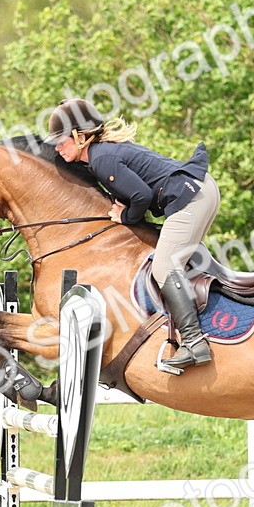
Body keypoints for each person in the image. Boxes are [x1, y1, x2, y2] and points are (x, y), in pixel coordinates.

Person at [45, 98, 218, 370]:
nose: (56, 146)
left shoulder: (101, 160)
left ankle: (194, 342)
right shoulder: (101, 154)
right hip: (199, 190)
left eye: (60, 140)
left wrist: (124, 216)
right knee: (177, 261)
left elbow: (142, 196)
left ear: (80, 137)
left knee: (164, 267)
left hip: (191, 196)